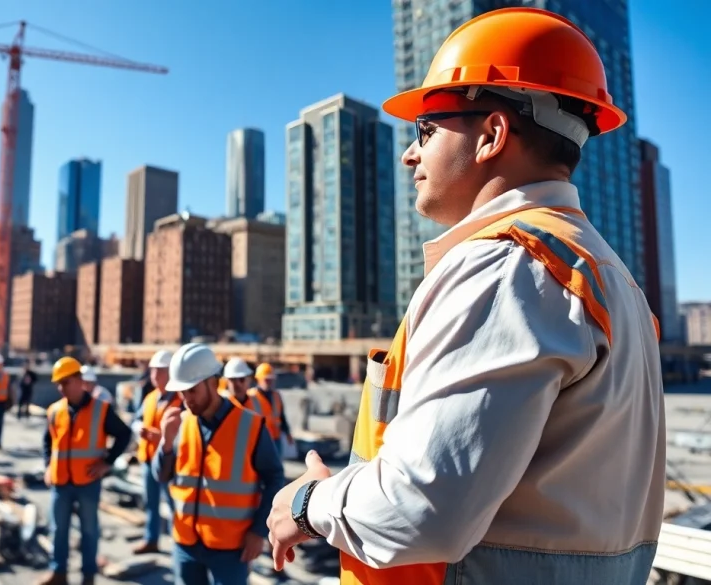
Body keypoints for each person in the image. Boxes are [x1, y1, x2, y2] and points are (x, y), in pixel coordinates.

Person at [266, 8, 665, 585]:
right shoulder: (605, 276)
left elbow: (420, 508)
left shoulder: (508, 266)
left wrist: (309, 504)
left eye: (426, 131)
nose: (410, 155)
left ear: (492, 135)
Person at [153, 343, 284, 585]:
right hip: (185, 542)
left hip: (231, 547)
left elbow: (275, 479)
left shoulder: (251, 426)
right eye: (182, 392)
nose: (186, 399)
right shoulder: (180, 421)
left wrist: (258, 531)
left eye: (192, 391)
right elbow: (161, 476)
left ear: (213, 382)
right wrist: (166, 443)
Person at [41, 357, 132, 585]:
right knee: (58, 529)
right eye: (59, 383)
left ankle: (88, 576)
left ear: (80, 381)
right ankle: (58, 572)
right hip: (61, 482)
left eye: (67, 382)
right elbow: (47, 441)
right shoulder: (54, 411)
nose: (62, 388)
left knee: (89, 530)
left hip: (88, 482)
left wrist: (108, 462)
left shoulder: (101, 410)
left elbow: (124, 434)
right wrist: (47, 466)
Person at [129, 350, 179, 554]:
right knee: (151, 502)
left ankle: (179, 541)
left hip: (170, 461)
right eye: (153, 372)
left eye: (159, 372)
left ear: (170, 373)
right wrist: (138, 428)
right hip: (149, 459)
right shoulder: (150, 397)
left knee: (174, 504)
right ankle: (152, 539)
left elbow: (185, 433)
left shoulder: (179, 400)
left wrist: (163, 438)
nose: (154, 376)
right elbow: (136, 419)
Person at [247, 363, 293, 456]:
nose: (269, 382)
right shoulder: (250, 396)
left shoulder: (276, 395)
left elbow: (281, 416)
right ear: (258, 379)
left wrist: (288, 434)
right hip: (259, 439)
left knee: (277, 467)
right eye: (266, 380)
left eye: (271, 380)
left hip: (276, 438)